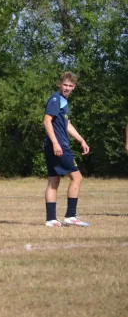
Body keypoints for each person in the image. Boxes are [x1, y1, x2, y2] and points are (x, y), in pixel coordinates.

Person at [43, 71, 90, 227]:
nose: (67, 88)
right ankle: (71, 216)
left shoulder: (63, 101)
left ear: (74, 87)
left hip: (53, 145)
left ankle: (51, 219)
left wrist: (81, 139)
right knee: (77, 178)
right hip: (59, 146)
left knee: (53, 181)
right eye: (65, 85)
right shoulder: (56, 99)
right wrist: (56, 143)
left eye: (70, 86)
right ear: (59, 84)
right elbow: (47, 121)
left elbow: (66, 124)